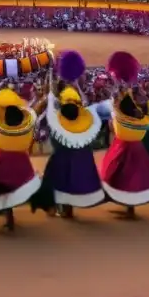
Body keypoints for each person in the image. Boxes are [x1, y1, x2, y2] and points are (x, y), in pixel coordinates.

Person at [99, 52, 149, 219]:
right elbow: (141, 107)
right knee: (129, 177)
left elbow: (120, 104)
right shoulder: (132, 90)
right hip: (131, 140)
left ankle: (128, 208)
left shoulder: (123, 93)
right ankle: (128, 207)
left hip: (125, 142)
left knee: (123, 175)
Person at [36, 58, 105, 218]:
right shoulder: (86, 116)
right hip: (81, 154)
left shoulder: (58, 117)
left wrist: (53, 87)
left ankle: (55, 208)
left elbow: (51, 105)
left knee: (55, 178)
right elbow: (85, 102)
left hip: (62, 154)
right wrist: (77, 85)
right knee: (73, 180)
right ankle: (67, 209)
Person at [0, 80, 44, 233]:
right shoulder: (27, 128)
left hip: (1, 164)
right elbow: (32, 110)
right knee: (12, 190)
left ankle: (7, 217)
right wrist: (33, 100)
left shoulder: (0, 131)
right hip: (22, 166)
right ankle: (10, 219)